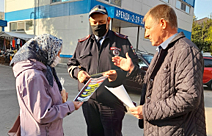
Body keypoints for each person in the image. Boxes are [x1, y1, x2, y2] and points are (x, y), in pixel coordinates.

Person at [111, 4, 206, 136]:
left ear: (162, 23)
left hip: (176, 131)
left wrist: (147, 111)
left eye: (148, 28)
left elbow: (188, 97)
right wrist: (132, 69)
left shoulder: (186, 51)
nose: (146, 34)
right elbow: (154, 84)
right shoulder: (163, 51)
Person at [67, 5, 138, 136]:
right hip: (89, 102)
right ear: (90, 22)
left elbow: (134, 69)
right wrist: (78, 73)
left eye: (101, 22)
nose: (97, 25)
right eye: (94, 22)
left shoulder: (122, 42)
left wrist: (118, 75)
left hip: (112, 103)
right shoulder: (83, 44)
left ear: (108, 20)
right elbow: (71, 65)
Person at [10, 34, 83, 136]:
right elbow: (43, 114)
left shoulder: (44, 68)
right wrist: (70, 106)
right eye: (57, 54)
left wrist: (59, 97)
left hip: (49, 130)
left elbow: (43, 99)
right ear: (47, 51)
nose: (58, 57)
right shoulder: (33, 76)